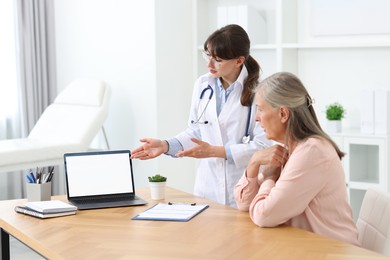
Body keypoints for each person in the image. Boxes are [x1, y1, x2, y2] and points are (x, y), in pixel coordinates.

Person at [131, 24, 271, 207]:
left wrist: (214, 151)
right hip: (207, 188)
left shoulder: (260, 92)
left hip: (243, 189)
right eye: (209, 56)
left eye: (218, 59)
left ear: (239, 61)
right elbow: (196, 132)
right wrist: (165, 145)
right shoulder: (203, 85)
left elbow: (263, 146)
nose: (209, 64)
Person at [234, 72, 359, 245]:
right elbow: (244, 204)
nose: (256, 118)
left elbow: (264, 215)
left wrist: (269, 179)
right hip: (306, 246)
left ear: (283, 114)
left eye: (261, 109)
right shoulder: (292, 148)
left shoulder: (312, 152)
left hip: (331, 251)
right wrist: (254, 162)